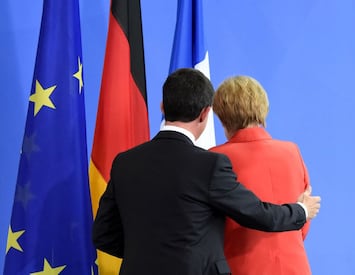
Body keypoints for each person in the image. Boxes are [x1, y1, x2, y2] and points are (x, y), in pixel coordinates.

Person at [92, 68, 321, 275]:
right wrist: (301, 211)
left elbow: (103, 233)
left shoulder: (124, 162)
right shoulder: (213, 164)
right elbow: (261, 215)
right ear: (205, 113)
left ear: (162, 107)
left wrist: (147, 254)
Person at [210, 75, 313, 275]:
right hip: (295, 267)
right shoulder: (291, 152)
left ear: (221, 114)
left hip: (242, 267)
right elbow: (303, 220)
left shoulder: (214, 159)